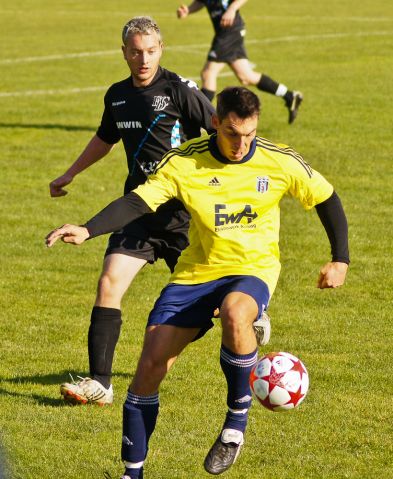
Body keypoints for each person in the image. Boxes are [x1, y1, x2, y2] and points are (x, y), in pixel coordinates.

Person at [46, 86, 349, 478]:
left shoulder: (279, 160)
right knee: (150, 363)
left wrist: (339, 259)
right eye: (232, 133)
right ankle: (131, 472)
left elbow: (327, 197)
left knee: (236, 312)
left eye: (249, 134)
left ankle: (235, 424)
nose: (241, 143)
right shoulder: (184, 161)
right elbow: (138, 201)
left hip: (252, 268)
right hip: (196, 272)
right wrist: (88, 229)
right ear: (214, 122)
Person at [48, 16, 216, 406]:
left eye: (151, 51)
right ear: (124, 52)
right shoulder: (117, 95)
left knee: (219, 303)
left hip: (184, 217)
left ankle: (250, 312)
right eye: (136, 52)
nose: (144, 59)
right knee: (109, 282)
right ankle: (101, 383)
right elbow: (105, 139)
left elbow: (219, 130)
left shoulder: (179, 90)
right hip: (139, 211)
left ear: (162, 49)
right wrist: (70, 174)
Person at [176, 0, 303, 123]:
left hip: (230, 30)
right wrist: (188, 10)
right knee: (246, 77)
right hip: (226, 31)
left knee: (208, 73)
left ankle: (199, 120)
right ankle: (290, 96)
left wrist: (231, 9)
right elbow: (201, 1)